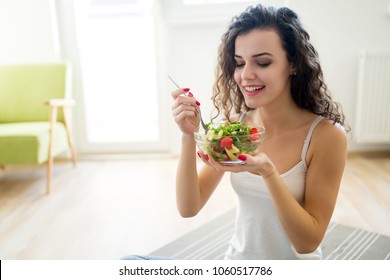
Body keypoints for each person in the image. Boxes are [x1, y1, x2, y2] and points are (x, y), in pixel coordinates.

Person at [170, 4, 348, 260]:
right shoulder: (236, 126)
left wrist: (268, 172)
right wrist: (188, 135)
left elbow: (307, 242)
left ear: (294, 64)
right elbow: (189, 207)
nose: (246, 75)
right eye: (239, 63)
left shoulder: (327, 136)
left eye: (262, 62)